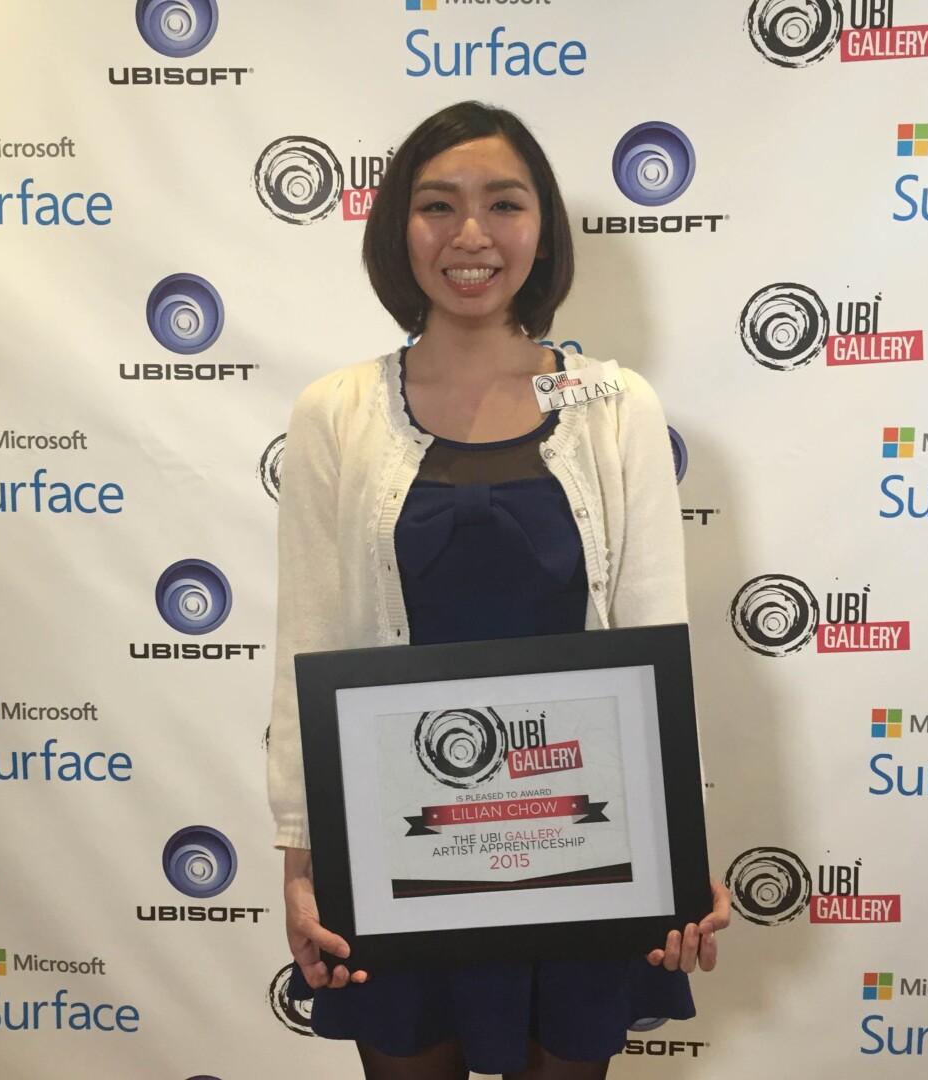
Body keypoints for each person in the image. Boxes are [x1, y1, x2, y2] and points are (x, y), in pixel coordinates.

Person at [268, 100, 730, 1080]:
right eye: (437, 204)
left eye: (504, 204)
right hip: (398, 853)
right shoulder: (334, 412)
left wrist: (678, 851)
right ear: (398, 229)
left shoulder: (615, 406)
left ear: (542, 231)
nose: (470, 234)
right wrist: (303, 859)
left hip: (581, 849)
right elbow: (308, 642)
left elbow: (655, 640)